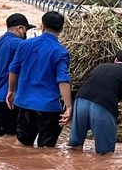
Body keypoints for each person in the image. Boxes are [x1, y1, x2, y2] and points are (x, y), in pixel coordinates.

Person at [6, 11, 72, 147]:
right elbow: (63, 80)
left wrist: (11, 90)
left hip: (24, 103)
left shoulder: (24, 45)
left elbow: (13, 69)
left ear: (42, 26)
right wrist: (69, 106)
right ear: (61, 29)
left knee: (22, 145)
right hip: (49, 108)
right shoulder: (60, 52)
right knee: (46, 149)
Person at [68, 50, 122, 154]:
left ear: (116, 60)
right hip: (103, 104)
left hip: (80, 101)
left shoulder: (101, 67)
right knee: (105, 155)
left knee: (75, 149)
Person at [0, 13, 35, 136]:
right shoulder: (19, 44)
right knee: (13, 141)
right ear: (20, 28)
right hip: (9, 101)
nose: (25, 34)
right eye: (25, 30)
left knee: (1, 141)